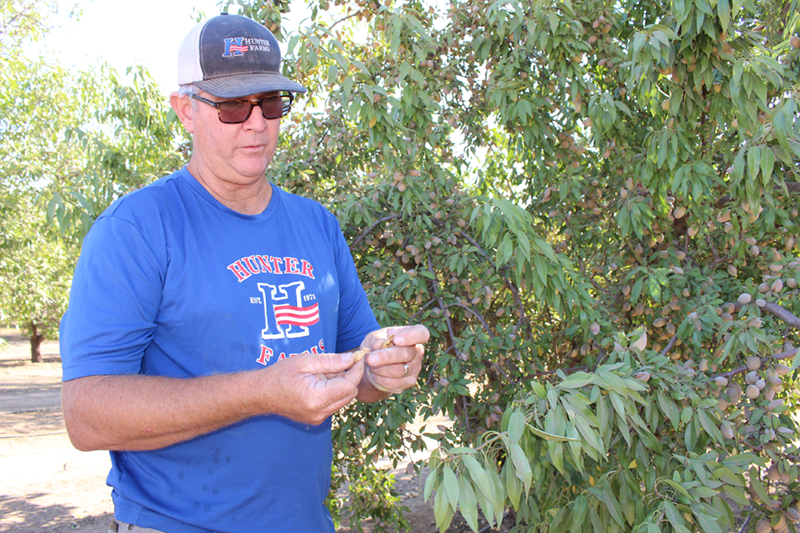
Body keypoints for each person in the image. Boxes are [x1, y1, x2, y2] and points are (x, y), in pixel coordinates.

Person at [59, 13, 429, 533]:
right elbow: (86, 415)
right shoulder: (137, 229)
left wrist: (384, 365)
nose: (257, 123)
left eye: (271, 103)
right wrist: (261, 391)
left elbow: (358, 365)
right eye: (233, 105)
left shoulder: (316, 225)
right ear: (185, 110)